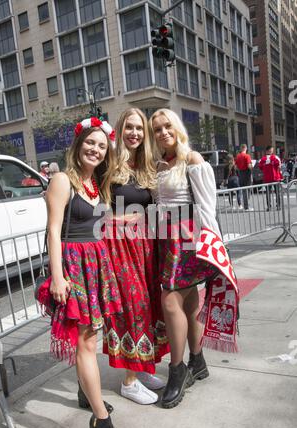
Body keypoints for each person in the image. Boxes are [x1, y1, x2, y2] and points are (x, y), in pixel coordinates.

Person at [40, 117, 129, 428]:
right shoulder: (63, 180)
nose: (96, 149)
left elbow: (97, 220)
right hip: (73, 269)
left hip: (95, 266)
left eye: (102, 146)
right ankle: (102, 423)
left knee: (90, 337)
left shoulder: (98, 183)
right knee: (86, 343)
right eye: (90, 143)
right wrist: (59, 277)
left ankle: (85, 393)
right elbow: (53, 229)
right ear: (78, 145)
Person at [149, 109, 239, 409]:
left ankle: (178, 371)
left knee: (171, 301)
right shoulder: (159, 163)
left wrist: (214, 247)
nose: (163, 132)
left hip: (188, 240)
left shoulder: (193, 159)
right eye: (157, 129)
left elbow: (206, 207)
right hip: (165, 238)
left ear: (177, 127)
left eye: (167, 126)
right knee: (188, 304)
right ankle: (197, 361)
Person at [102, 108, 169, 405]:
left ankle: (142, 368)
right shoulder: (108, 163)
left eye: (139, 128)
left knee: (150, 306)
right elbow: (96, 205)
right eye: (129, 127)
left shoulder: (146, 166)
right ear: (120, 128)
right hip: (119, 248)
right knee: (133, 308)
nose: (134, 133)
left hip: (145, 247)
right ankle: (129, 382)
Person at [258, 145, 282, 211]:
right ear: (268, 151)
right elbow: (279, 166)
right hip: (275, 178)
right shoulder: (275, 157)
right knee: (276, 192)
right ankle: (277, 206)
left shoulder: (263, 159)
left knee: (268, 193)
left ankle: (269, 206)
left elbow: (260, 167)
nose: (272, 151)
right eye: (271, 150)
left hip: (268, 178)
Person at [235, 144, 253, 211]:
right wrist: (252, 166)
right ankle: (247, 206)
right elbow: (249, 166)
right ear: (246, 148)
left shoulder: (238, 156)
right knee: (247, 191)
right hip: (247, 174)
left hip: (240, 174)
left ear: (241, 148)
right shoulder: (247, 156)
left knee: (244, 191)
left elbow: (236, 167)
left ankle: (246, 206)